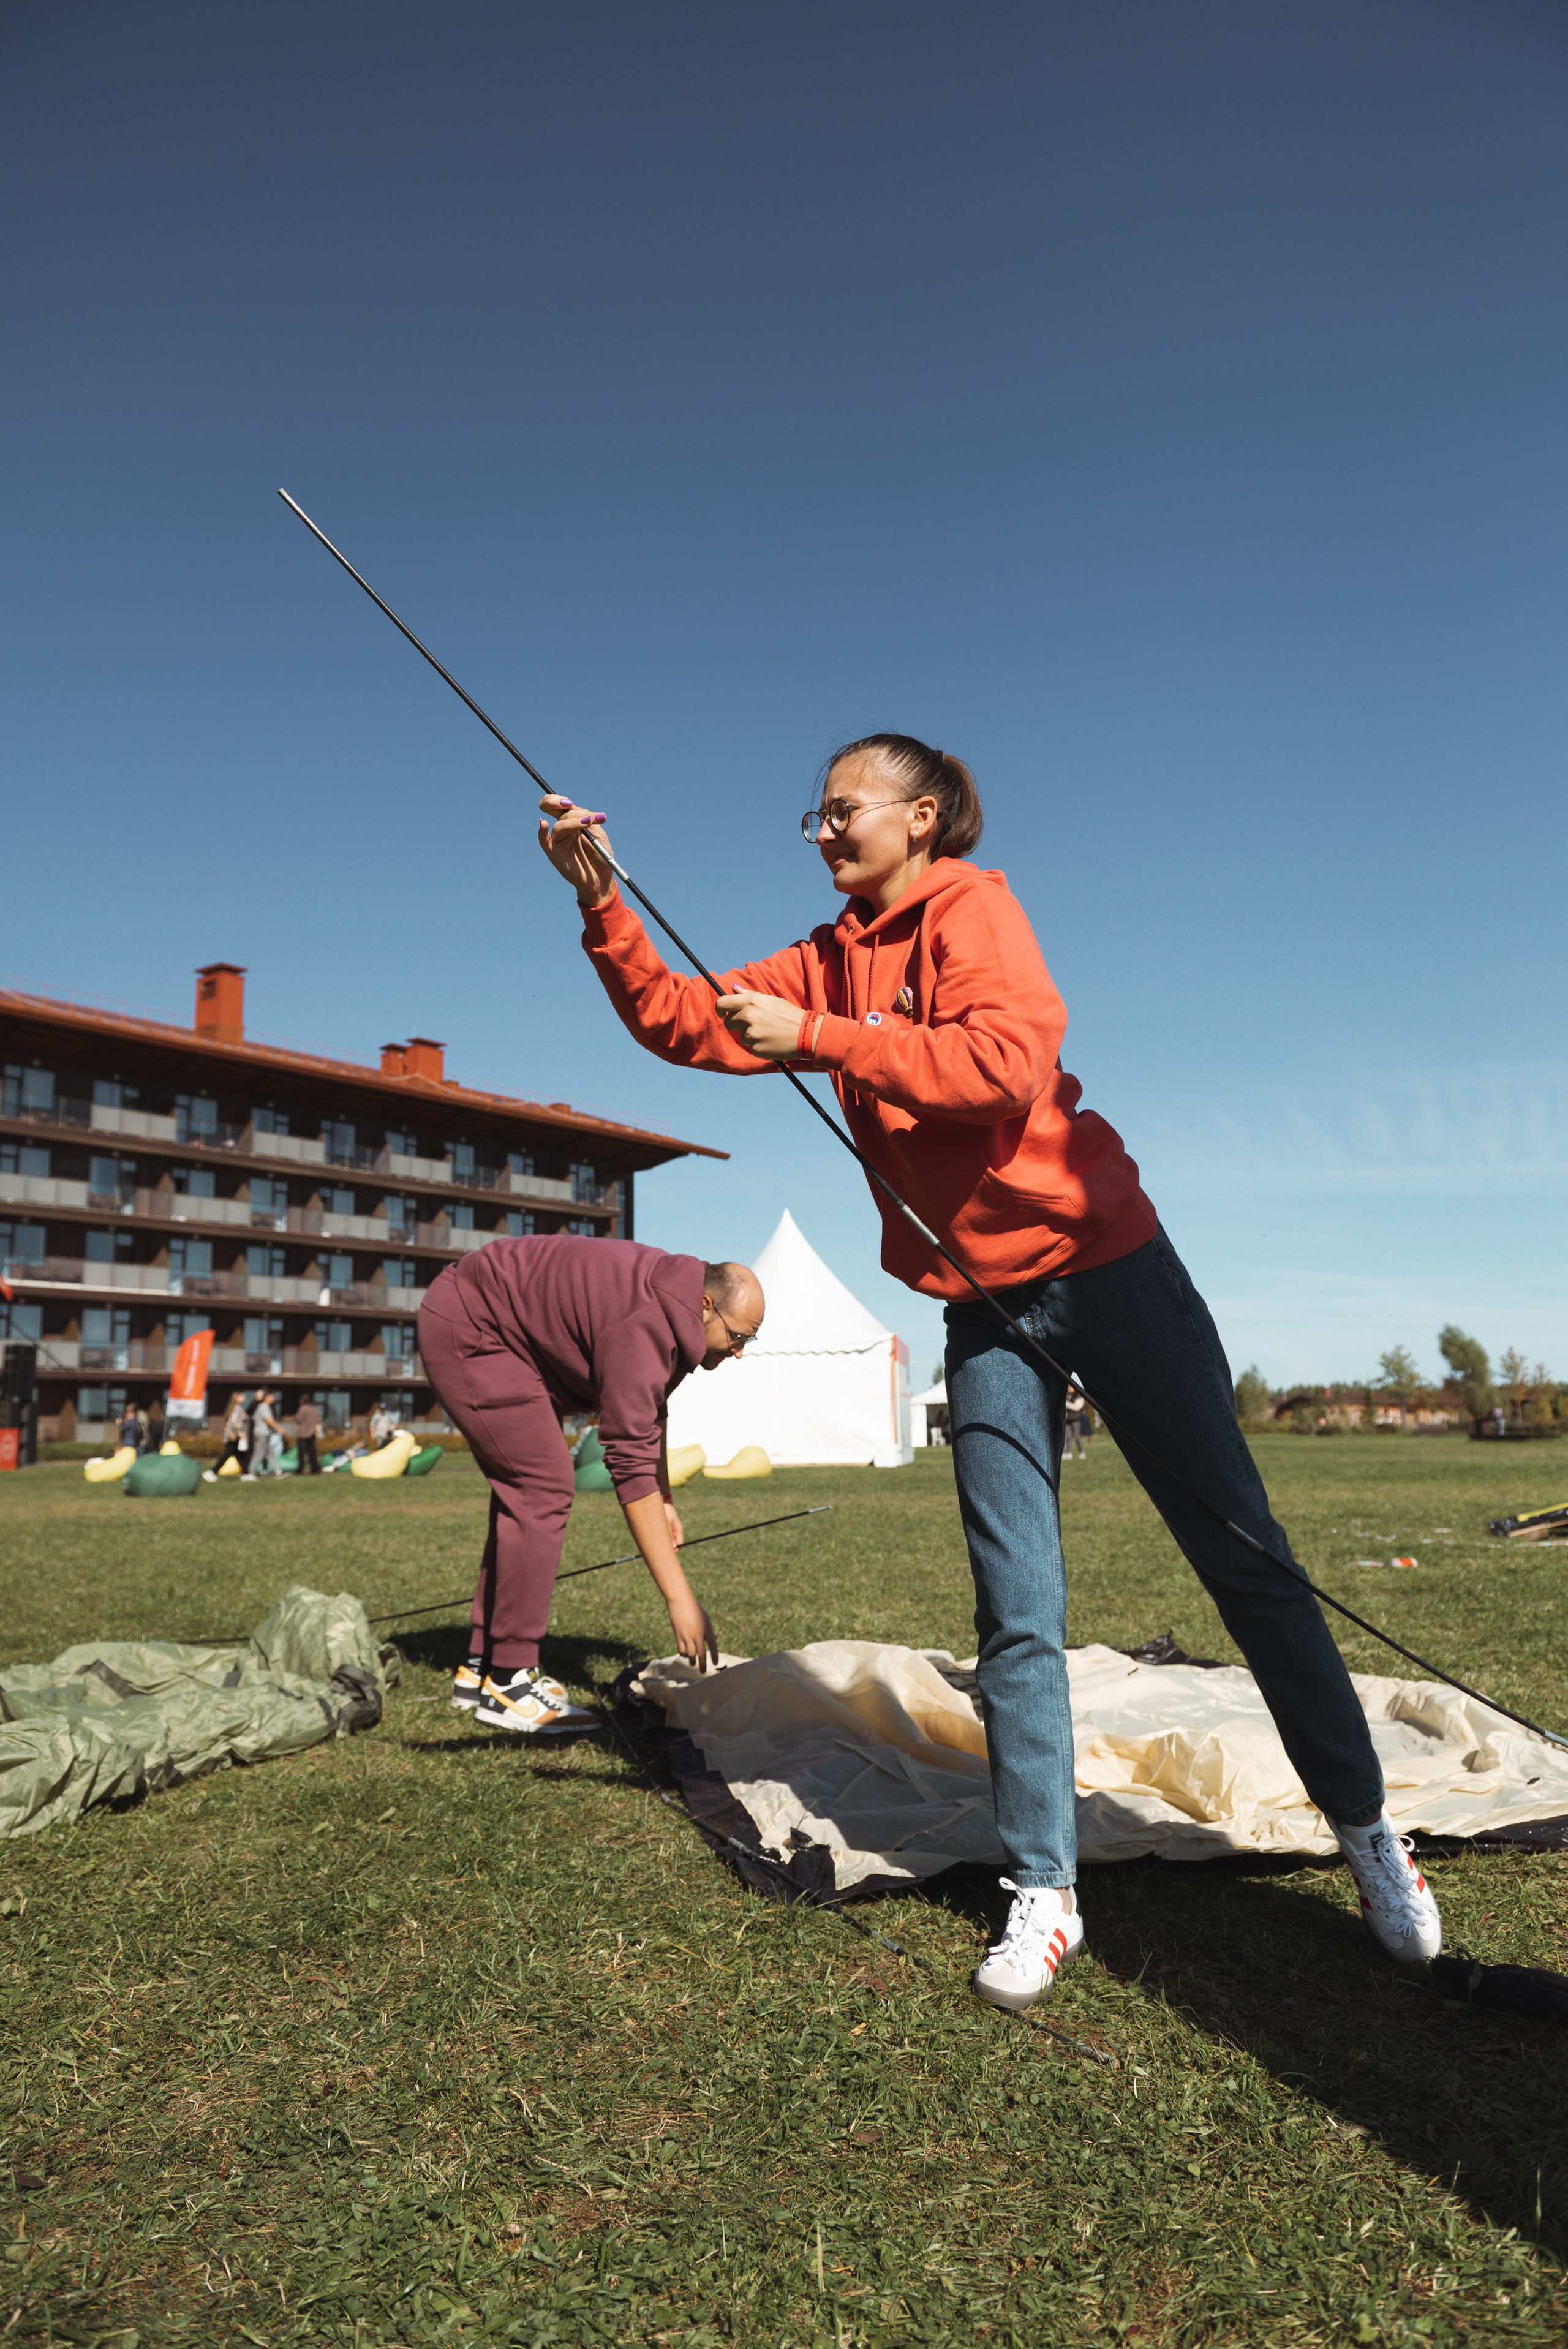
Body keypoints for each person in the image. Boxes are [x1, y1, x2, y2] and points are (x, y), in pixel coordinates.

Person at [538, 734, 1442, 2008]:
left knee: (1244, 1560)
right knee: (1016, 1609)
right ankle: (1045, 1889)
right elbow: (682, 1020)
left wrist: (824, 1036)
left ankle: (1366, 1834)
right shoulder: (825, 955)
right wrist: (600, 901)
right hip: (978, 1305)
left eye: (838, 810)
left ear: (919, 817)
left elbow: (1001, 1063)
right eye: (815, 817)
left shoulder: (974, 908)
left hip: (1107, 1270)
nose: (820, 831)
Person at [417, 1234, 764, 1735]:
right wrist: (680, 1599)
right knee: (542, 1485)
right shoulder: (645, 1321)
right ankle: (510, 1682)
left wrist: (664, 1497)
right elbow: (626, 1458)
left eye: (748, 1341)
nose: (738, 1352)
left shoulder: (675, 1312)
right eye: (738, 1337)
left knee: (528, 1488)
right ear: (706, 1305)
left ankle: (481, 1667)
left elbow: (650, 1413)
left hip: (496, 1329)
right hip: (473, 1326)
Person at [204, 1391, 251, 1481]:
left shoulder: (236, 1408)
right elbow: (234, 1424)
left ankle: (246, 1474)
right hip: (233, 1437)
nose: (244, 1397)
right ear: (236, 1398)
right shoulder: (237, 1408)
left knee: (241, 1456)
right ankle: (212, 1472)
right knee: (227, 1455)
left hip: (234, 1436)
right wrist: (242, 1434)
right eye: (242, 1396)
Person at [245, 1389, 283, 1479]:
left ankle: (278, 1471)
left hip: (265, 1433)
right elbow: (268, 1420)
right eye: (272, 1397)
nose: (274, 1399)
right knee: (259, 1453)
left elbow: (254, 1418)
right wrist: (279, 1428)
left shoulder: (265, 1407)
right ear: (267, 1398)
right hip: (262, 1433)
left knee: (271, 1453)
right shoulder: (264, 1407)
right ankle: (250, 1473)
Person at [295, 1394, 322, 1476]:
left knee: (301, 1453)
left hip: (303, 1434)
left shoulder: (302, 1408)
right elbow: (319, 1420)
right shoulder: (315, 1409)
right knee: (313, 1453)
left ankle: (300, 1470)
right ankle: (315, 1469)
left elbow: (298, 1419)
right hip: (312, 1433)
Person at [1063, 1387, 1090, 1461]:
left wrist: (1068, 1404)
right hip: (1068, 1419)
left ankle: (1082, 1452)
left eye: (1070, 1387)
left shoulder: (1078, 1396)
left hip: (1076, 1419)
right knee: (1068, 1437)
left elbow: (1077, 1407)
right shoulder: (1067, 1396)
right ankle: (1069, 1453)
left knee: (1077, 1436)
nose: (1069, 1388)